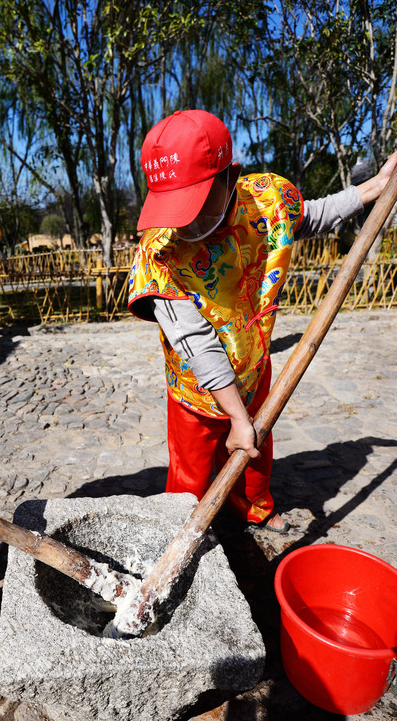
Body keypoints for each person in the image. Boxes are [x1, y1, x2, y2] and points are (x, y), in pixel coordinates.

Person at [129, 109, 397, 532]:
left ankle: (253, 507)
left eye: (196, 203)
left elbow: (306, 217)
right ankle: (183, 532)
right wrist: (236, 418)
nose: (187, 221)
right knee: (189, 477)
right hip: (194, 390)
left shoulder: (265, 200)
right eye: (174, 206)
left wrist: (373, 189)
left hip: (253, 367)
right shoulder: (158, 254)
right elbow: (197, 344)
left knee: (255, 459)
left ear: (230, 176)